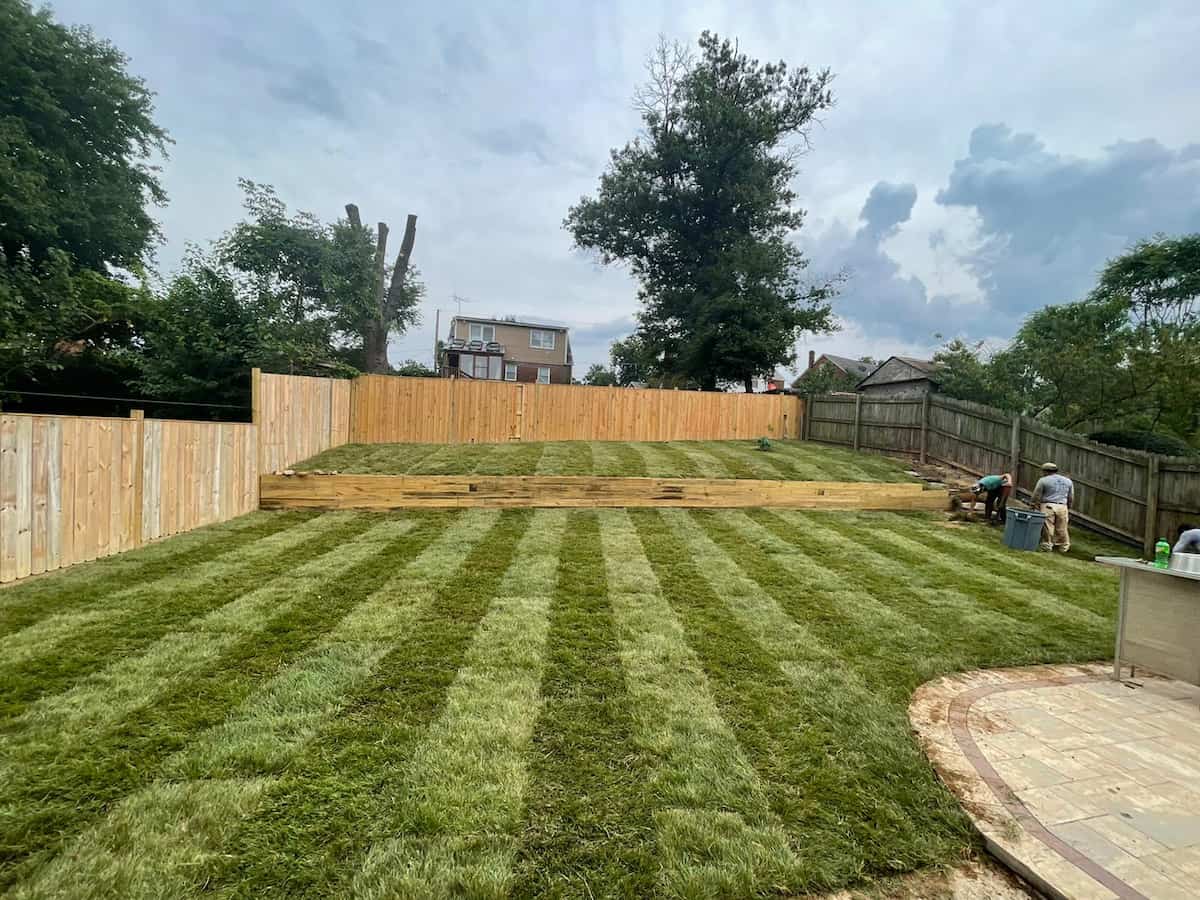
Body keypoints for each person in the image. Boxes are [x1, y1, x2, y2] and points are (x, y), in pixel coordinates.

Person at [1031, 462, 1074, 553]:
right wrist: (1068, 507)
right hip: (1062, 506)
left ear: (1045, 471)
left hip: (1048, 505)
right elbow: (1070, 496)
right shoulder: (1068, 481)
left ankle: (1047, 545)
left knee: (1048, 527)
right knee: (1062, 527)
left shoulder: (1043, 480)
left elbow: (1036, 494)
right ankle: (1063, 546)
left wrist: (1034, 504)